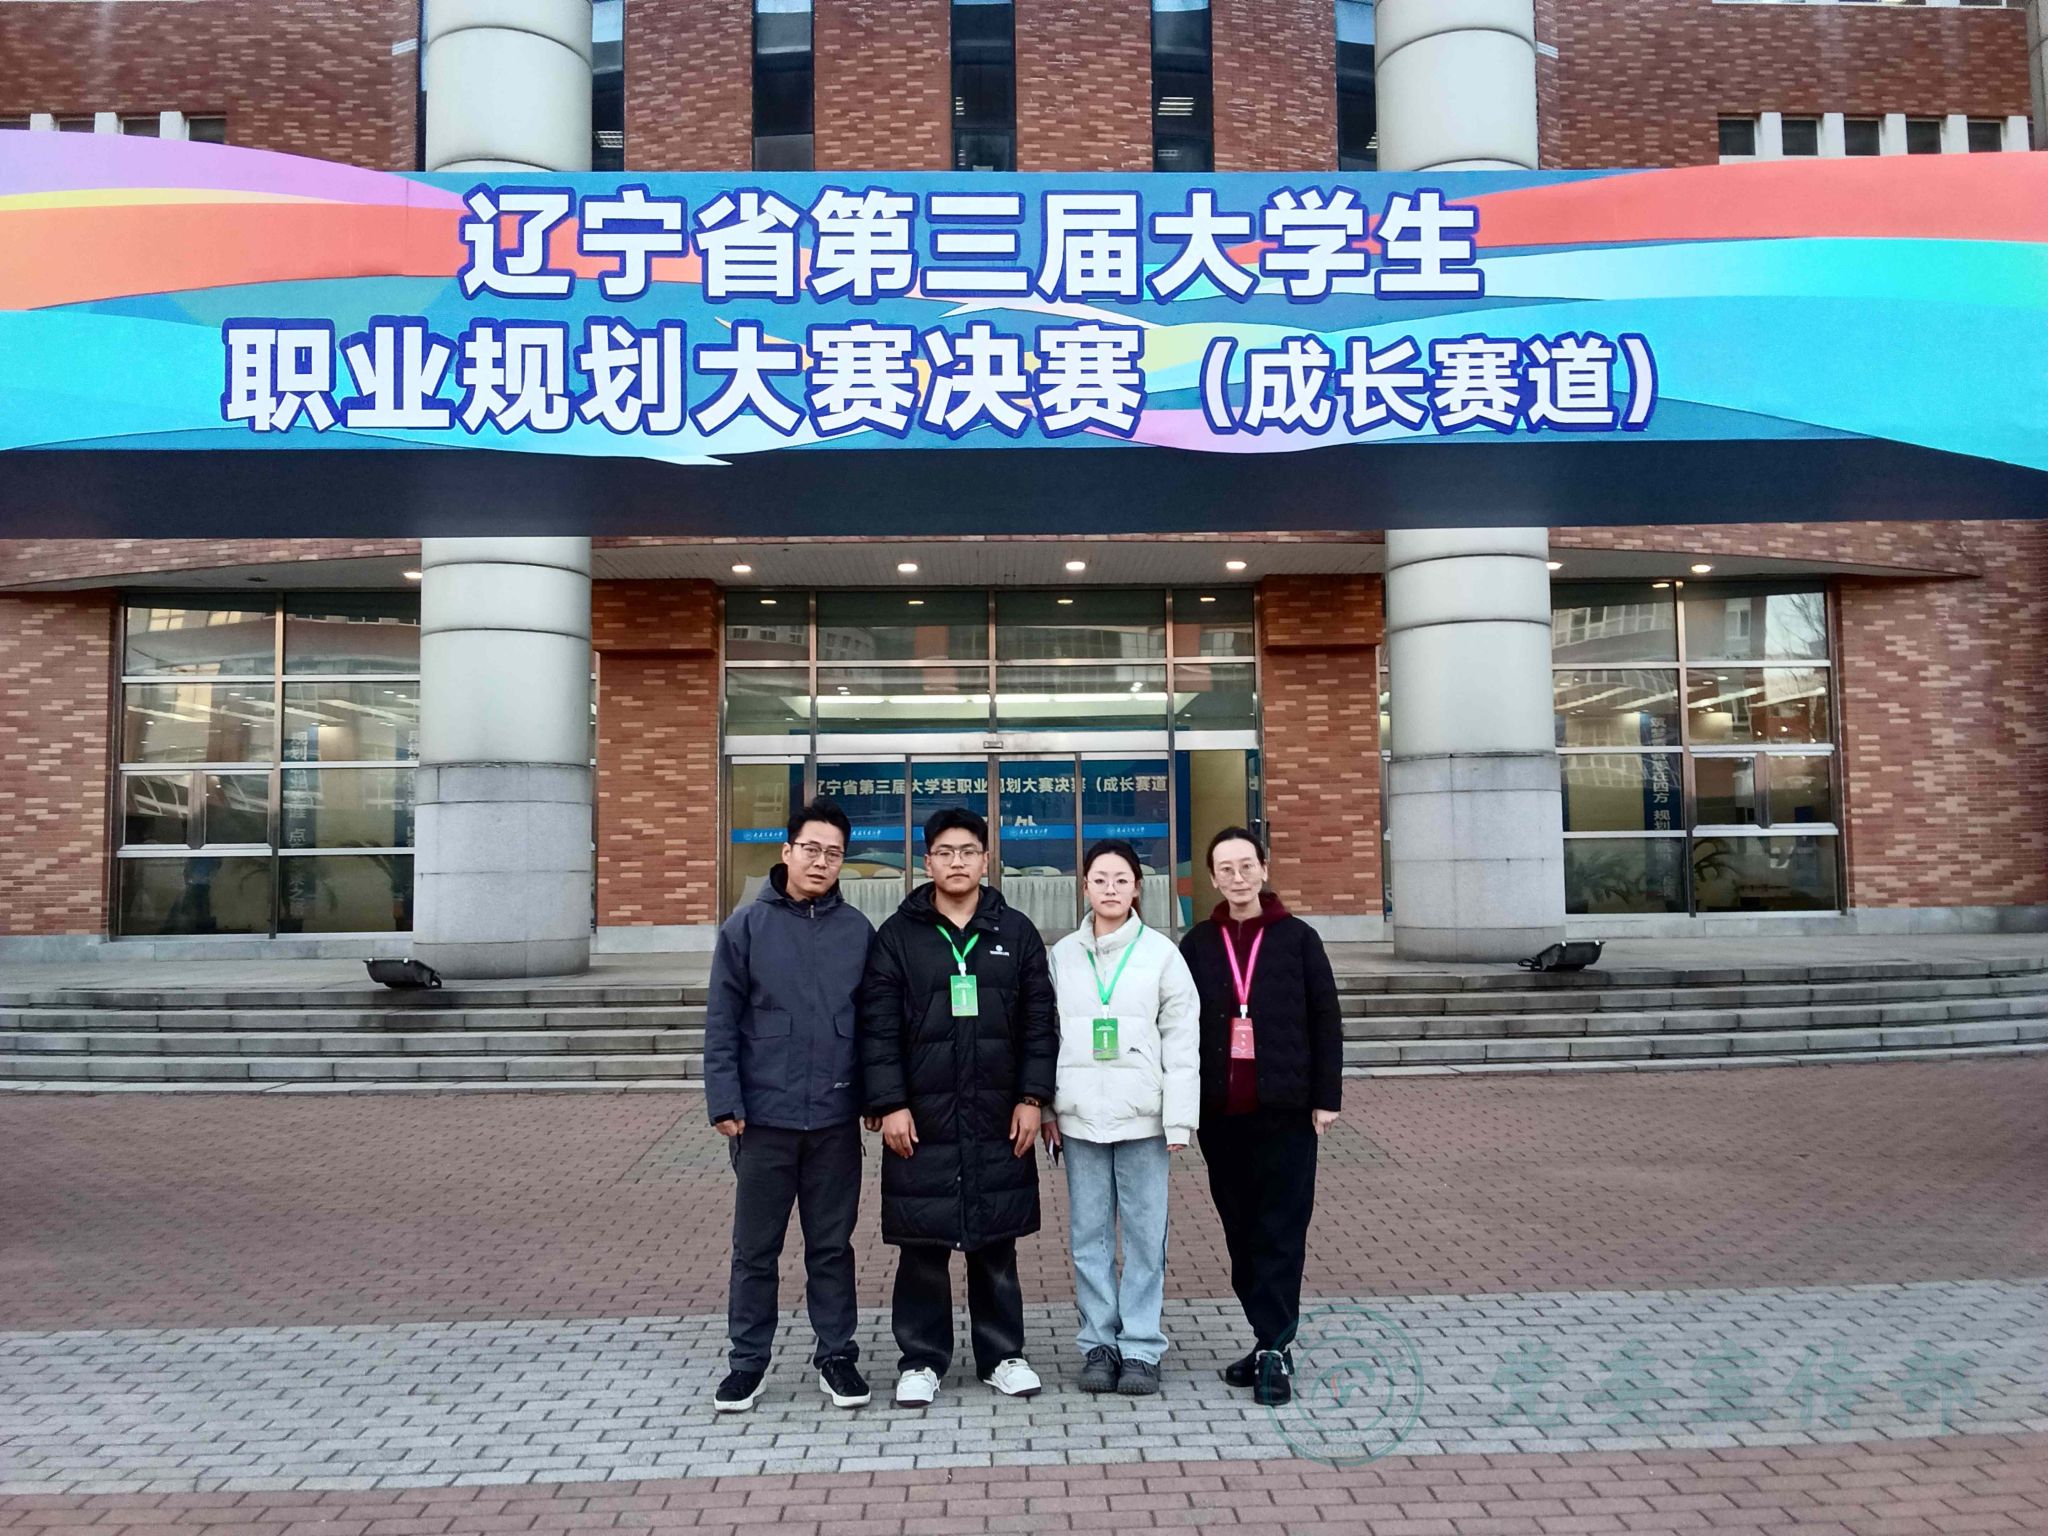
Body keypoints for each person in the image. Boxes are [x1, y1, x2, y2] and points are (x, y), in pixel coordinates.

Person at [858, 805, 1058, 1409]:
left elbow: (1039, 1023)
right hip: (923, 1115)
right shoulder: (898, 936)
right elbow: (878, 1028)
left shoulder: (1015, 932)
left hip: (998, 1112)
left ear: (986, 859)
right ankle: (922, 1359)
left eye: (968, 851)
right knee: (922, 1244)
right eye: (945, 852)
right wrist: (890, 1103)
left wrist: (1032, 1098)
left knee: (996, 1241)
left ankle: (1003, 1355)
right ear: (928, 862)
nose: (957, 862)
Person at [703, 798, 875, 1414]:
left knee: (832, 1247)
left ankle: (837, 1357)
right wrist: (724, 1100)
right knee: (755, 1250)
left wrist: (876, 1096)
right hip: (763, 1120)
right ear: (787, 851)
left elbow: (875, 1025)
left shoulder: (858, 932)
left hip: (834, 1119)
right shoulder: (745, 928)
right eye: (811, 849)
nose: (821, 862)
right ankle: (747, 1363)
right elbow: (721, 1023)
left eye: (833, 853)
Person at [1178, 826, 1342, 1407]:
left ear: (1264, 868)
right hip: (1222, 1114)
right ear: (1213, 877)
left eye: (1246, 865)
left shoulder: (1298, 938)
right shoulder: (1198, 943)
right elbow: (1178, 1026)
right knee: (1240, 1230)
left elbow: (1325, 1018)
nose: (1238, 877)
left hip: (1286, 1111)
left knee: (1281, 1229)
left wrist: (1326, 1097)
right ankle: (1266, 1337)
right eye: (1225, 869)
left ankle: (1274, 1348)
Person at [1041, 838, 1200, 1396]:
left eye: (1121, 880)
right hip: (1079, 1117)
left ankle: (1140, 1346)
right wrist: (1047, 1108)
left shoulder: (1162, 955)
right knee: (1088, 1237)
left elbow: (1181, 1040)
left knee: (1144, 1236)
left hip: (1144, 1119)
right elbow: (1044, 1036)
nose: (1110, 889)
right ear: (1084, 886)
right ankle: (1099, 1344)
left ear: (1137, 888)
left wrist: (1179, 1120)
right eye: (1099, 879)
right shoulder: (1062, 955)